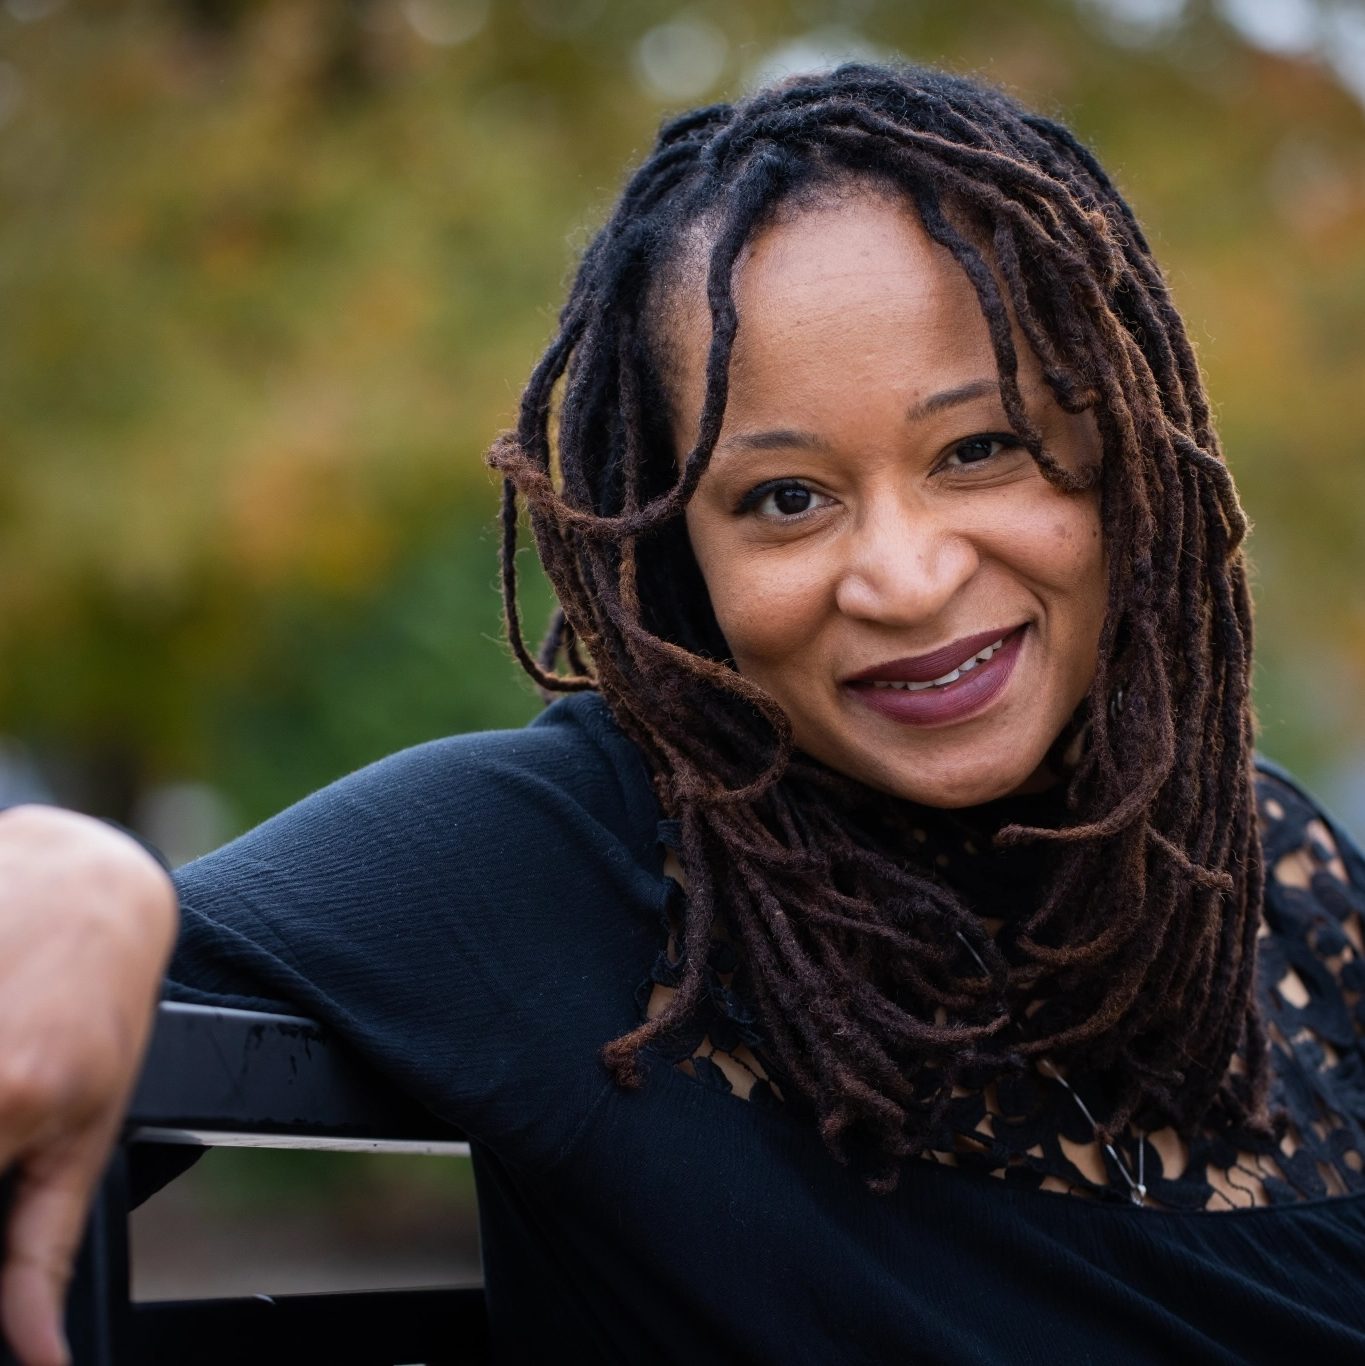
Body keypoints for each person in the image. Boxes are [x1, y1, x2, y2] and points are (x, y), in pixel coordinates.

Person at [2, 61, 1364, 1366]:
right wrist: (75, 873)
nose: (902, 575)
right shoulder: (565, 857)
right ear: (677, 554)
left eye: (978, 446)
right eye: (784, 497)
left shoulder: (1271, 872)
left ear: (1123, 458)